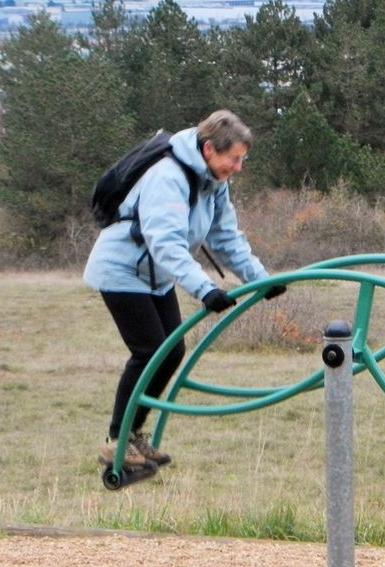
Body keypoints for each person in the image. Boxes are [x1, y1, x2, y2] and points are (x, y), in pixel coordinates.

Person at [84, 109, 284, 474]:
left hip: (154, 275)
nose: (238, 167)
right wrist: (205, 288)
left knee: (172, 351)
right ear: (209, 149)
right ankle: (117, 440)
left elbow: (226, 238)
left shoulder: (215, 183)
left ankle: (135, 433)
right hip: (122, 270)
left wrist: (261, 277)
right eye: (233, 158)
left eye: (242, 159)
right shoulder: (168, 176)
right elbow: (165, 243)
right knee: (148, 352)